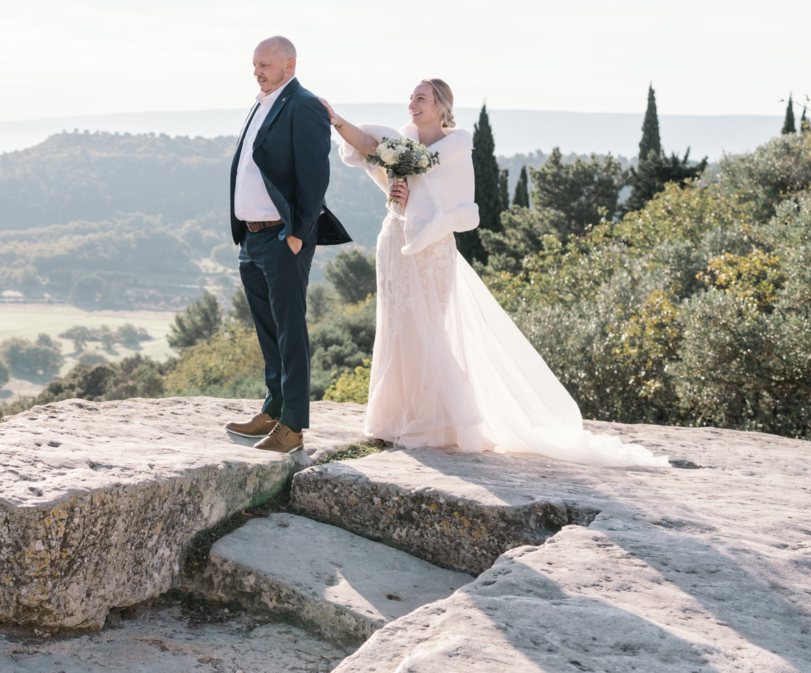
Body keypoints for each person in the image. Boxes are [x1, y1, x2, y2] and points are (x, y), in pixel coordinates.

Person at [322, 79, 667, 468]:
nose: (412, 105)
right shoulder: (401, 143)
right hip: (395, 240)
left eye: (420, 98)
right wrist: (339, 123)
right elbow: (369, 148)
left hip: (434, 248)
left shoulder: (454, 147)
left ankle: (440, 421)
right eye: (411, 98)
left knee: (429, 326)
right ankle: (395, 418)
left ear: (440, 106)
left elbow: (452, 198)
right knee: (397, 324)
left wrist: (413, 191)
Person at [223, 36, 349, 453]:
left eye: (265, 65)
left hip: (283, 239)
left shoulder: (304, 104)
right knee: (268, 330)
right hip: (252, 238)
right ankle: (273, 408)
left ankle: (292, 427)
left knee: (290, 332)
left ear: (289, 65)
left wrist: (297, 234)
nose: (257, 71)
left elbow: (315, 176)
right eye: (255, 64)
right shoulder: (262, 103)